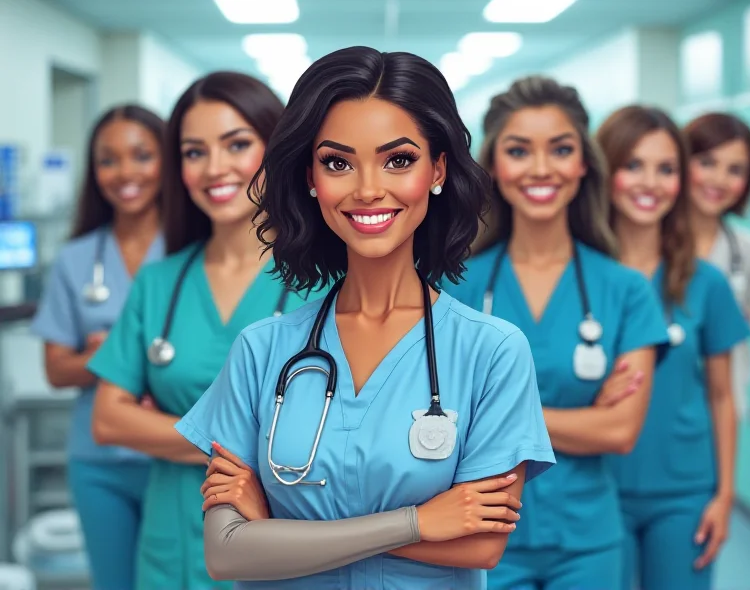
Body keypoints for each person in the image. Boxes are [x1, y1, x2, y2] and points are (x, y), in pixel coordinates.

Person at [174, 46, 556, 589]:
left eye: (398, 159)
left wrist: (282, 529)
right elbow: (227, 554)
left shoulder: (491, 351)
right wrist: (419, 522)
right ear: (310, 177)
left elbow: (481, 543)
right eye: (338, 162)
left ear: (438, 170)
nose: (367, 188)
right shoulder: (261, 350)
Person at [87, 72, 312, 590]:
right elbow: (108, 420)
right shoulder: (159, 283)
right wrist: (254, 448)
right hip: (173, 547)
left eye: (237, 144)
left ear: (276, 149)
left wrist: (169, 431)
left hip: (285, 543)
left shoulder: (325, 281)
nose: (215, 168)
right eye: (194, 152)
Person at [444, 76, 670, 590]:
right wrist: (582, 420)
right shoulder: (451, 288)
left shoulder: (626, 290)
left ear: (583, 164)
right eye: (519, 150)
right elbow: (432, 424)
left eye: (560, 149)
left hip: (587, 541)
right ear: (494, 167)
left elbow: (620, 431)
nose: (541, 169)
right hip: (478, 538)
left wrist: (495, 416)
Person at [597, 105, 750, 590]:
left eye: (666, 169)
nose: (651, 183)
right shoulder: (579, 279)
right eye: (633, 165)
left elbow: (722, 396)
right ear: (604, 172)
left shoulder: (706, 283)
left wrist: (724, 495)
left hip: (684, 492)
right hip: (595, 485)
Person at [30, 104, 166, 590]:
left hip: (174, 453)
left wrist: (109, 351)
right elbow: (56, 369)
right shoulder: (76, 258)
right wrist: (131, 353)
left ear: (167, 160)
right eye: (108, 160)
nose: (125, 173)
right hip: (98, 460)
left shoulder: (195, 250)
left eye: (141, 156)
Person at [683, 112, 750, 417]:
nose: (719, 179)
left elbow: (748, 318)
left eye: (735, 170)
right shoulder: (648, 245)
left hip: (723, 406)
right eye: (707, 163)